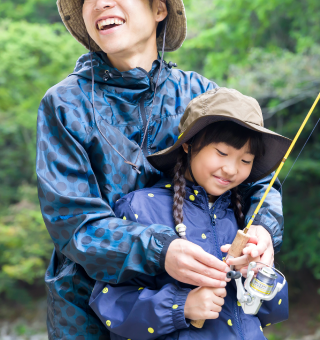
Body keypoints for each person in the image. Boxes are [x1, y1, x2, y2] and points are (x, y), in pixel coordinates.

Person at [37, 0, 285, 338]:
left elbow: (260, 181)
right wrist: (161, 249)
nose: (101, 3)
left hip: (204, 318)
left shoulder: (202, 95)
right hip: (85, 313)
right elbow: (73, 221)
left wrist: (264, 230)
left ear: (159, 9)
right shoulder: (63, 104)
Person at [89, 87, 290, 339]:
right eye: (222, 153)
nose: (231, 169)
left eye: (245, 160)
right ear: (188, 145)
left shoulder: (245, 215)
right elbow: (110, 304)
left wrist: (259, 275)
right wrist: (181, 306)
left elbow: (274, 313)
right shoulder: (140, 208)